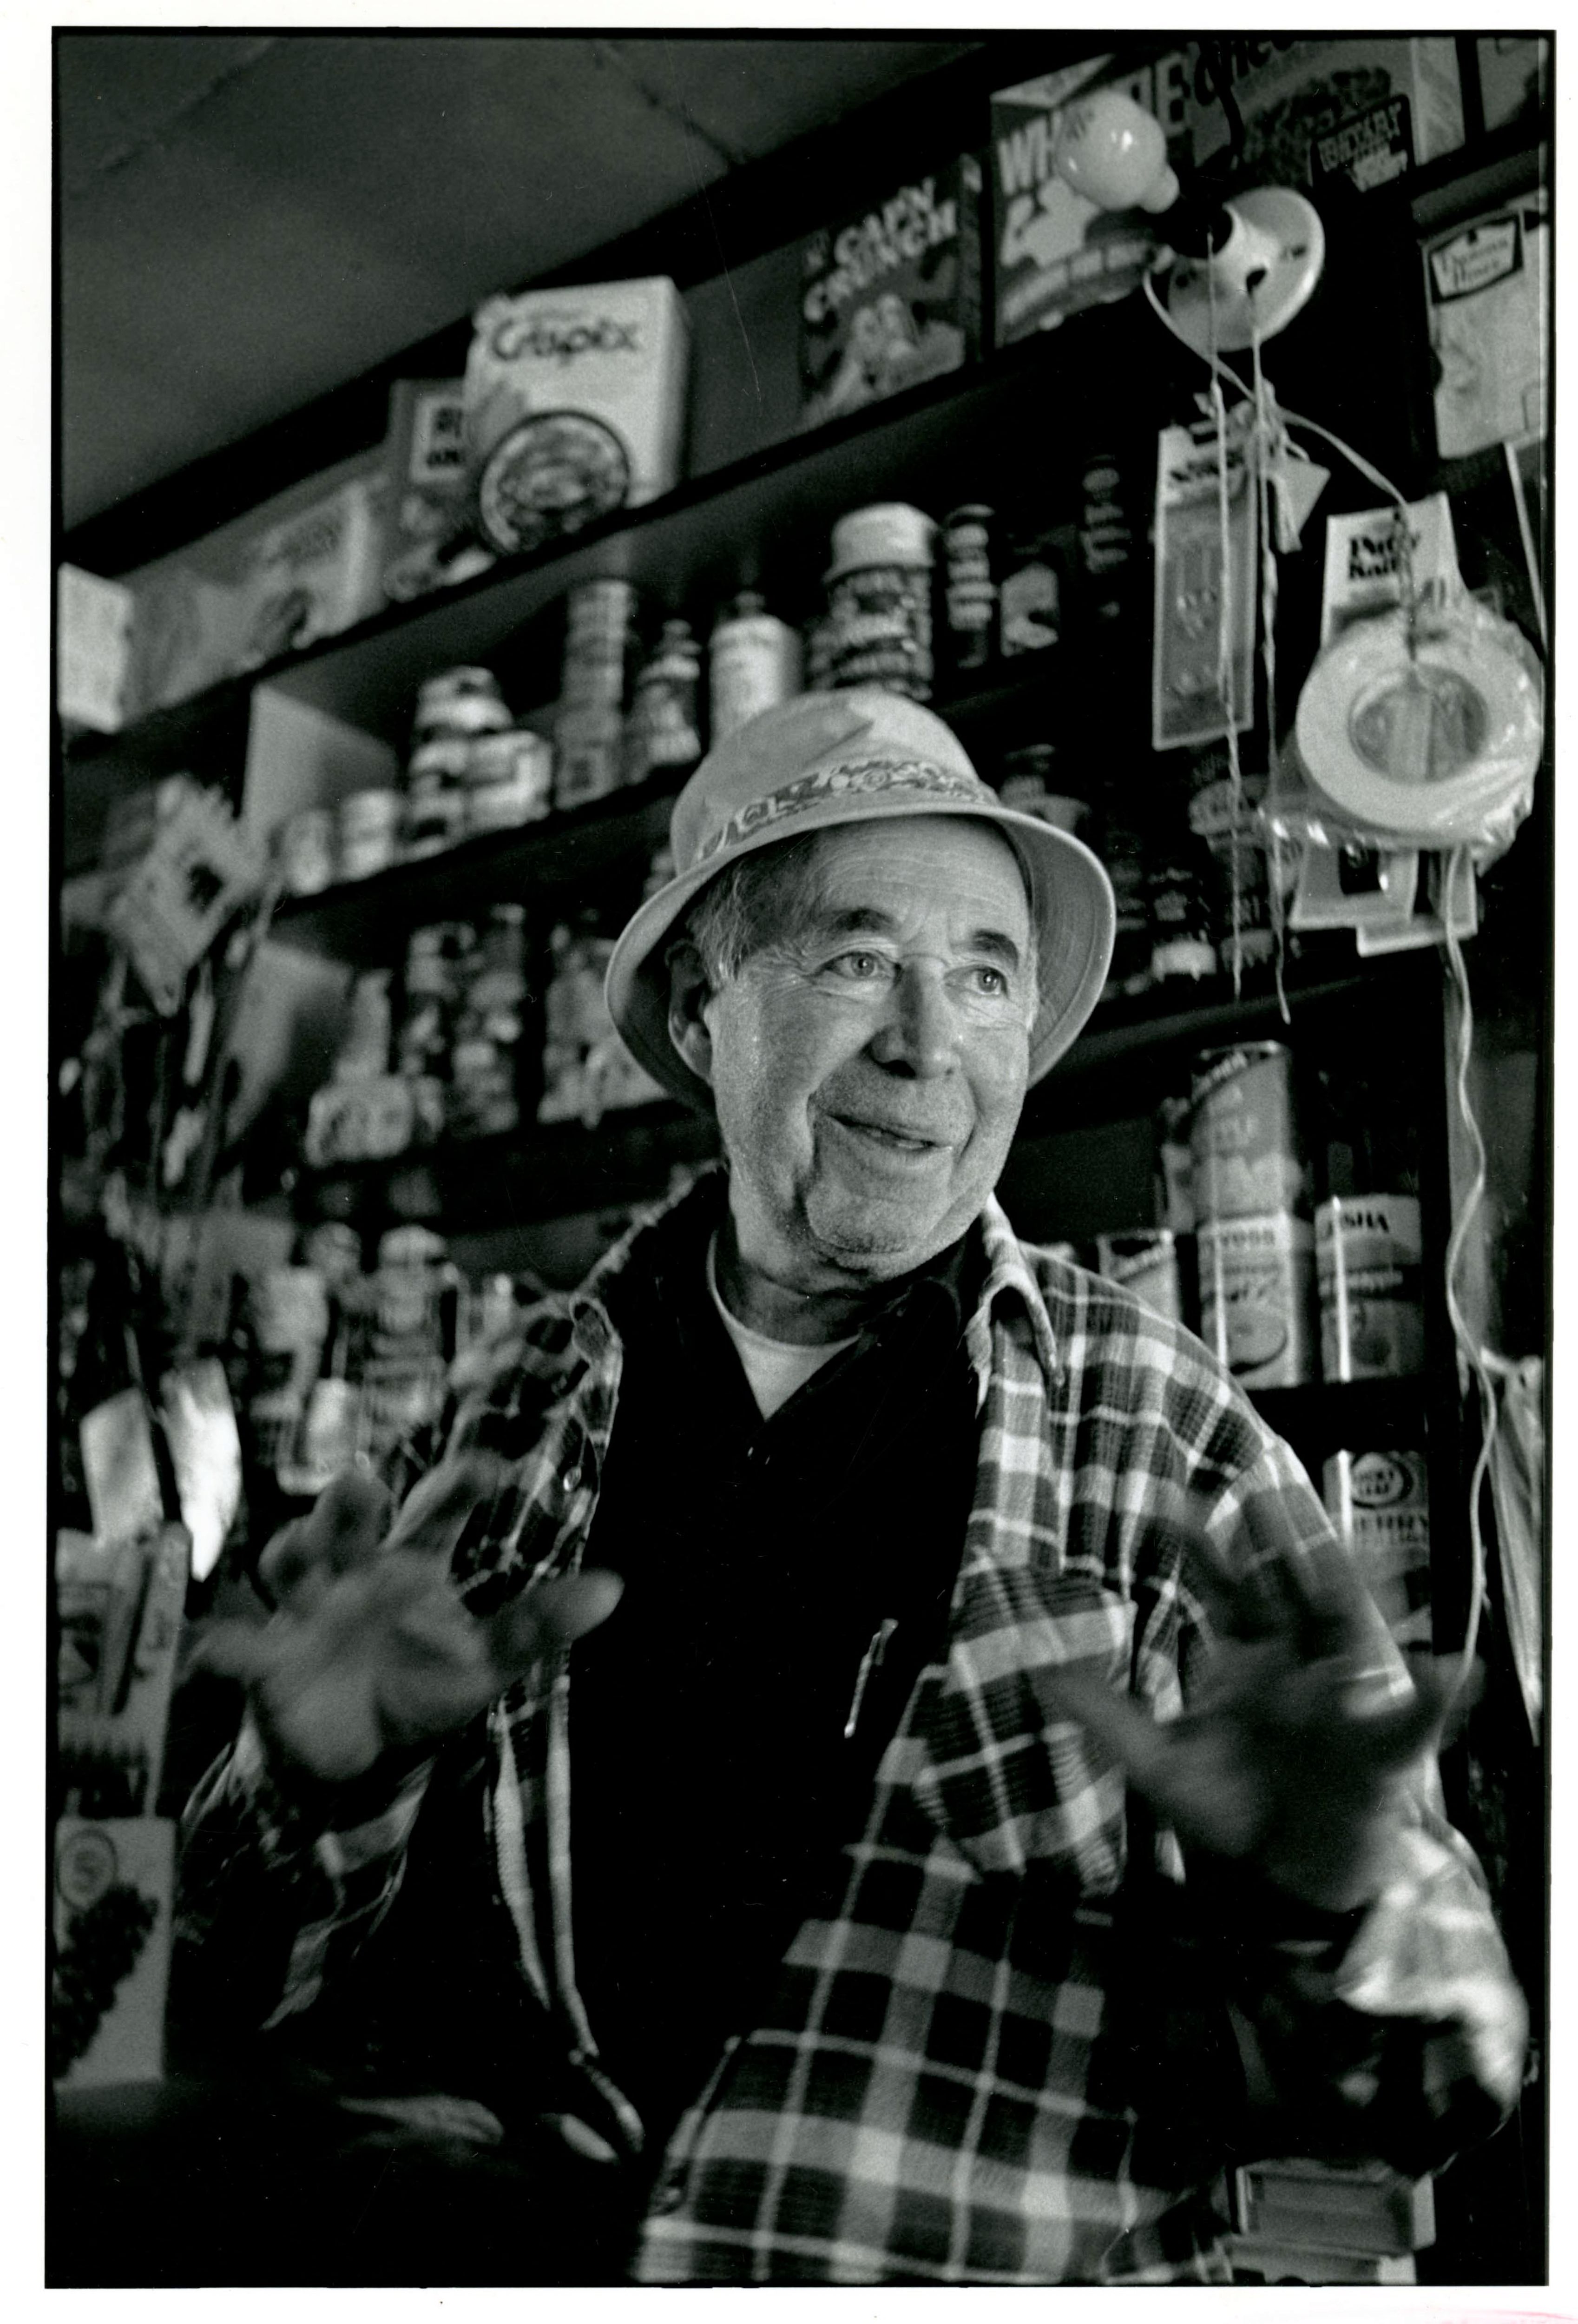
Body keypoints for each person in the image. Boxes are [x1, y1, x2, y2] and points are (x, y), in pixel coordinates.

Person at [171, 688, 1526, 2286]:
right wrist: (317, 1779)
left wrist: (1322, 1900)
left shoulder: (1165, 1427)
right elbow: (234, 1991)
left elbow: (1448, 2085)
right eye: (858, 960)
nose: (927, 1044)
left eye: (986, 977)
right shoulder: (507, 1415)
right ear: (701, 1011)